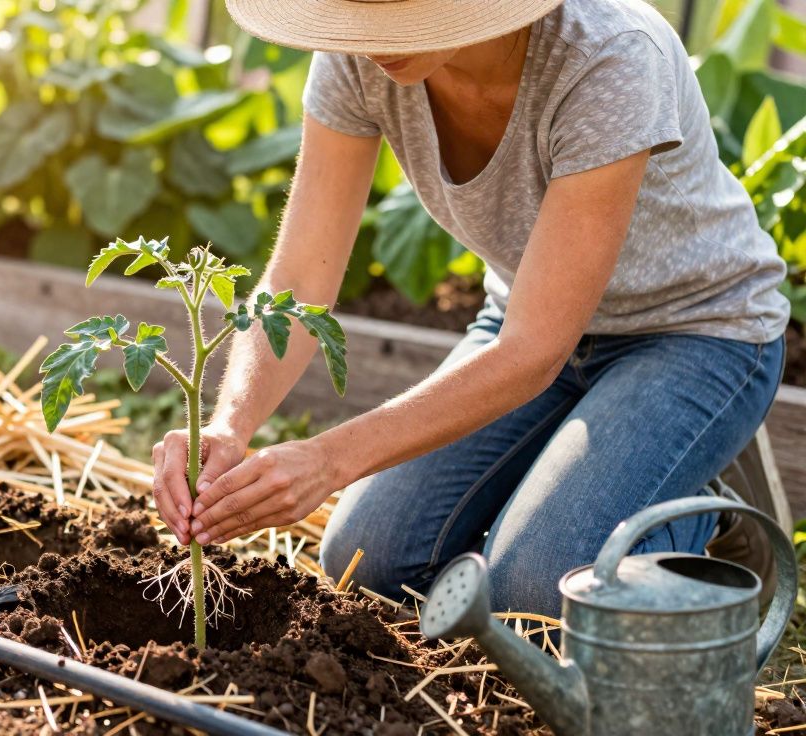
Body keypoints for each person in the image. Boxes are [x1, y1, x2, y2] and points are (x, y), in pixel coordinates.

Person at [150, 0, 789, 618]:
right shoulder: (358, 53)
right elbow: (297, 279)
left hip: (695, 333)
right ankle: (594, 482)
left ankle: (703, 507)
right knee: (365, 563)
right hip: (526, 323)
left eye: (403, 13)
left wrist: (329, 460)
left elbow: (533, 354)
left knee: (541, 590)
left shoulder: (608, 56)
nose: (375, 42)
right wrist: (228, 426)